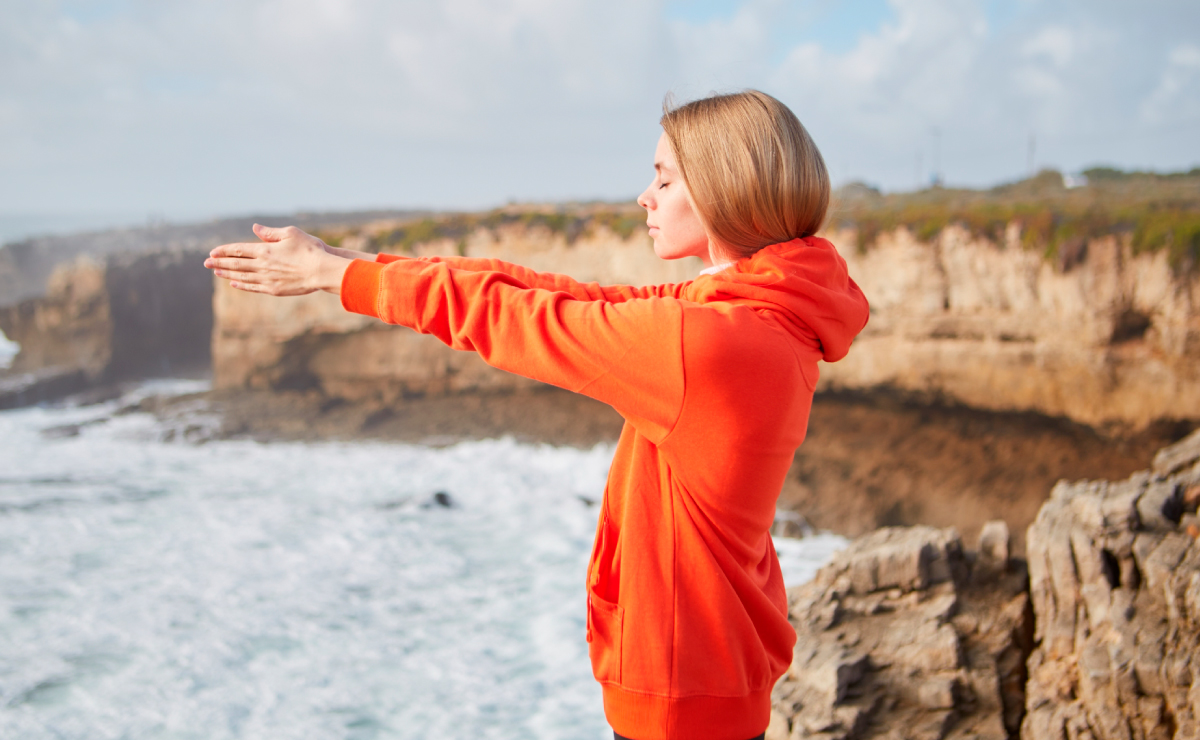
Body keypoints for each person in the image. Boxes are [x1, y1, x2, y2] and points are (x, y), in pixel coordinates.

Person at [204, 89, 869, 740]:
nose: (645, 195)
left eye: (663, 179)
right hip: (714, 665)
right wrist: (346, 262)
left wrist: (332, 280)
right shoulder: (760, 312)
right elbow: (556, 292)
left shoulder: (706, 341)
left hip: (677, 686)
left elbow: (512, 317)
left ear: (725, 189)